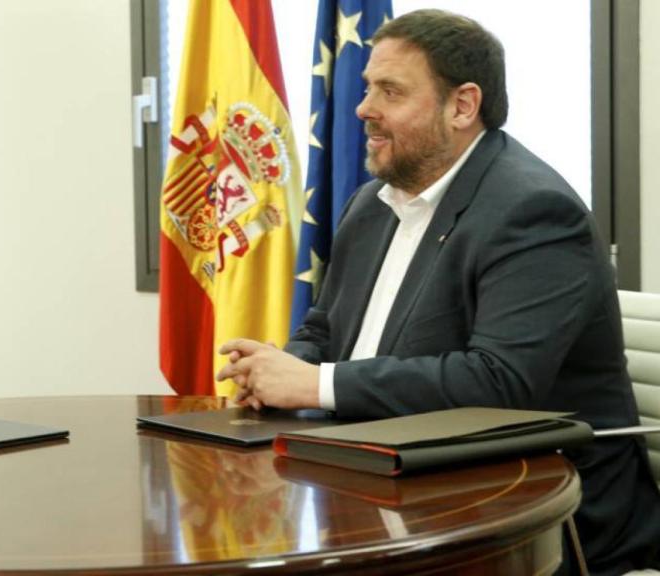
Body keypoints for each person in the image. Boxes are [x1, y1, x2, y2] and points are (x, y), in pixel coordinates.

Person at [216, 10, 660, 575]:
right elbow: (326, 328)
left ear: (462, 105)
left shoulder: (534, 213)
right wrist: (281, 368)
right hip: (385, 480)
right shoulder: (372, 202)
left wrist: (314, 382)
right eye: (367, 87)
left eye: (390, 91)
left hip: (536, 515)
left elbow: (497, 381)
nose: (363, 109)